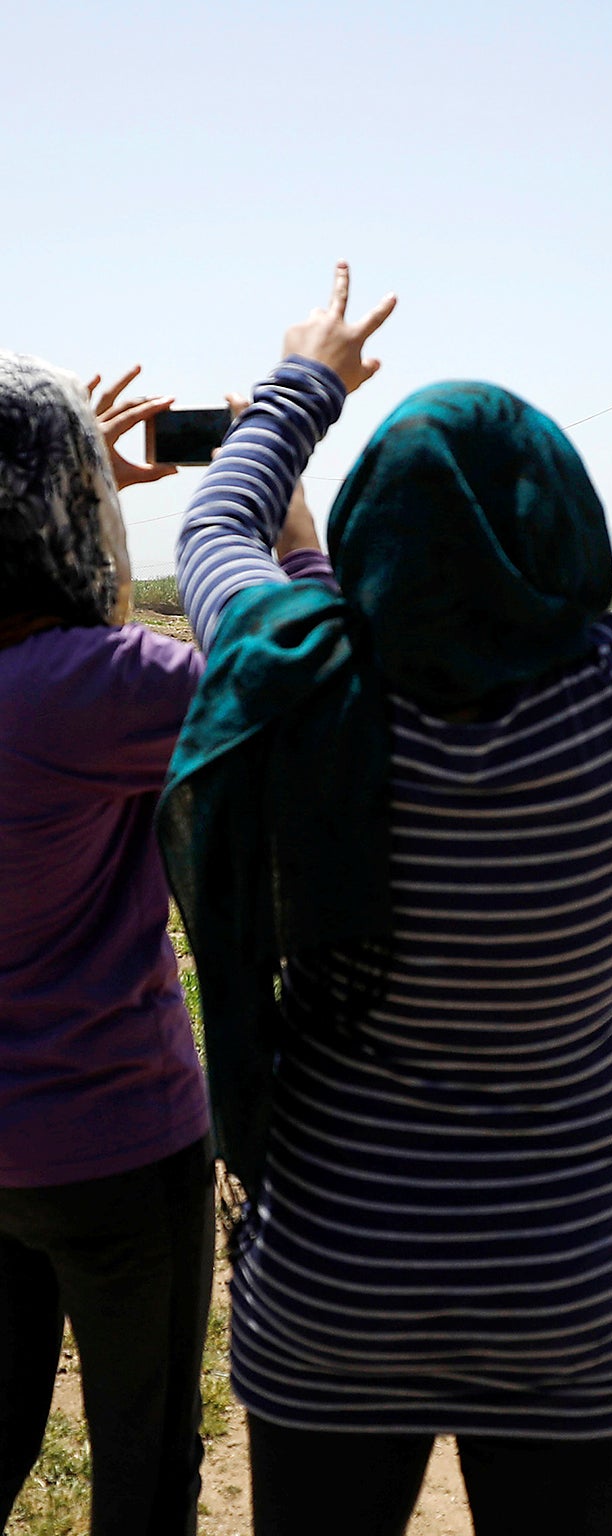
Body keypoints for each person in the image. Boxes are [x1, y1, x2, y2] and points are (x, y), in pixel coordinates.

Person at [160, 239, 612, 1536]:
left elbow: (215, 526)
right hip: (574, 1300)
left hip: (333, 1289)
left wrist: (302, 382)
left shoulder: (299, 682)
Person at [1, 360, 264, 1536]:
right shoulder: (96, 687)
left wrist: (50, 489)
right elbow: (281, 678)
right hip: (114, 1138)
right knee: (145, 1465)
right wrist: (263, 483)